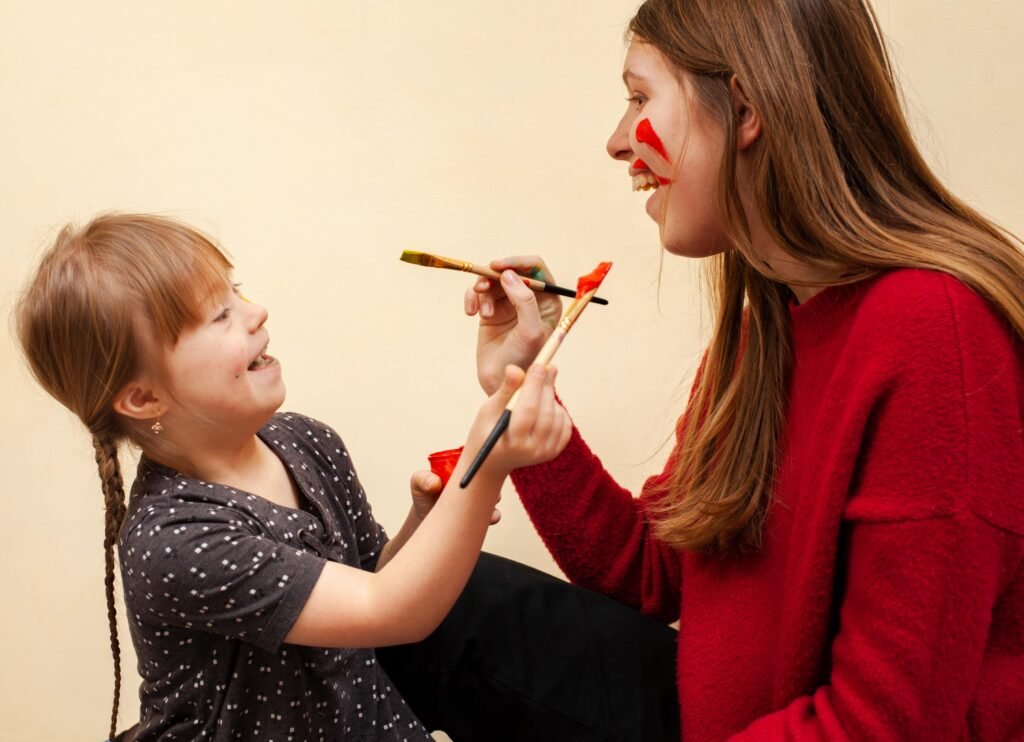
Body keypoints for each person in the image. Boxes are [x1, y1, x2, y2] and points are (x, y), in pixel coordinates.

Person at [463, 0, 1024, 739]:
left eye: (638, 98)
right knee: (451, 611)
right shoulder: (768, 332)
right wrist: (523, 382)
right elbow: (650, 572)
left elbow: (886, 723)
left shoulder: (932, 332)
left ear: (746, 108)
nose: (615, 142)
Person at [16, 213, 667, 741]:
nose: (256, 311)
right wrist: (483, 471)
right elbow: (392, 613)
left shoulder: (305, 442)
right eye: (219, 316)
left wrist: (424, 521)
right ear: (143, 399)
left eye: (236, 290)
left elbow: (369, 586)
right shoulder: (178, 541)